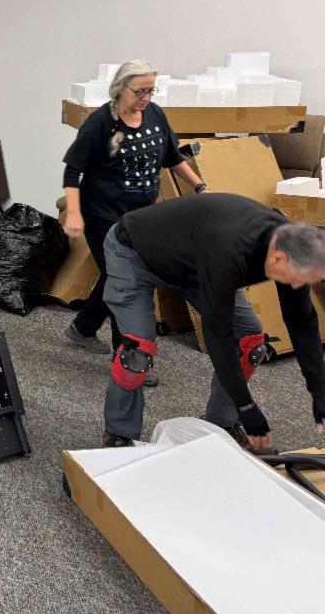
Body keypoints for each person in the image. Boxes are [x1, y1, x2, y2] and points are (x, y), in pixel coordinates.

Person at [100, 193, 325, 450]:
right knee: (137, 351)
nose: (298, 286)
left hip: (195, 263)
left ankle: (222, 424)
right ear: (278, 259)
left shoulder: (292, 247)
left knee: (251, 341)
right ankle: (118, 435)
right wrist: (246, 405)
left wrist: (319, 391)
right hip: (134, 251)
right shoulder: (229, 250)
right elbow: (218, 334)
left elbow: (302, 321)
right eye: (298, 278)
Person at [61, 61, 210, 379]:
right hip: (103, 214)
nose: (146, 97)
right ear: (120, 89)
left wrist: (199, 185)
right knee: (123, 280)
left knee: (117, 275)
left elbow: (172, 157)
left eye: (150, 90)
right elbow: (73, 169)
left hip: (141, 217)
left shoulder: (155, 115)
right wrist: (73, 213)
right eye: (139, 91)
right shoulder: (101, 122)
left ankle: (82, 326)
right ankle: (128, 358)